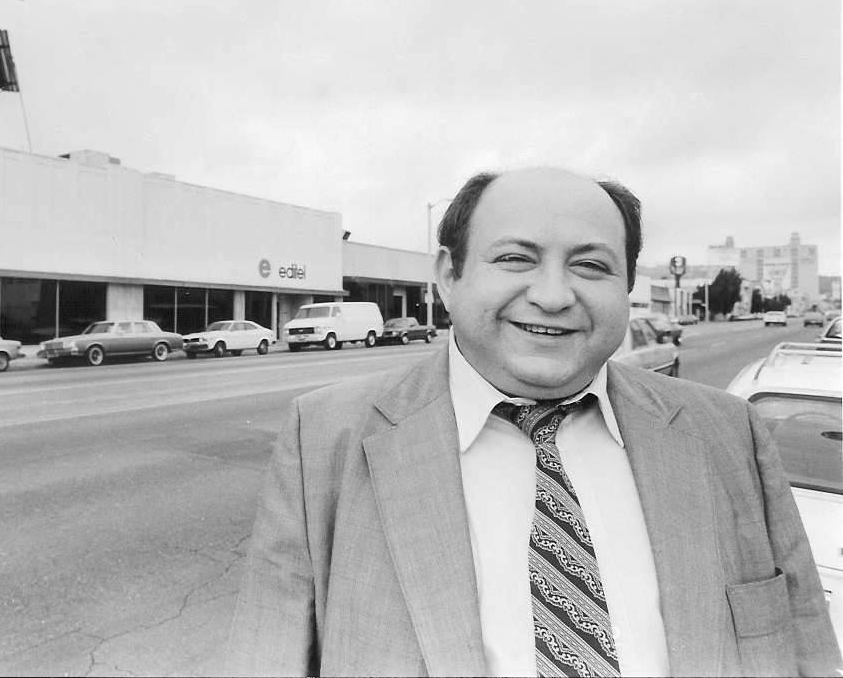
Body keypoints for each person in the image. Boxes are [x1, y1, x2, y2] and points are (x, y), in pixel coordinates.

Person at [227, 167, 840, 676]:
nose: (553, 295)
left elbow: (807, 647)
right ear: (449, 276)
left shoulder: (729, 433)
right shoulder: (324, 437)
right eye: (516, 258)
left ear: (627, 286)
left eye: (591, 266)